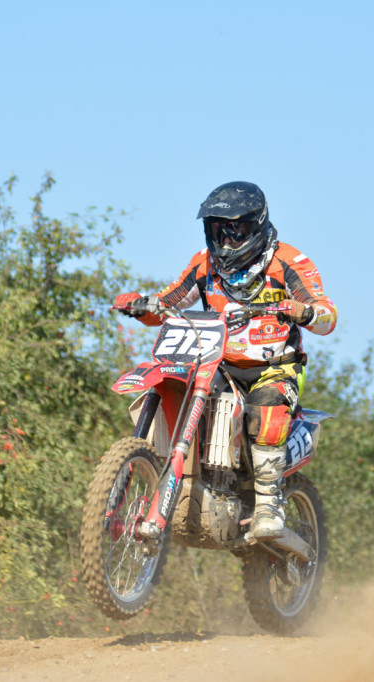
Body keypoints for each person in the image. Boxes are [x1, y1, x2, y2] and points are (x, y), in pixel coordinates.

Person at [115, 181, 337, 539]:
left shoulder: (289, 262)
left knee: (265, 411)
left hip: (273, 367)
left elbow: (327, 314)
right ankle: (173, 474)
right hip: (216, 363)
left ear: (256, 226)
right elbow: (172, 298)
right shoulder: (205, 264)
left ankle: (268, 503)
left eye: (235, 231)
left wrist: (306, 310)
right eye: (219, 230)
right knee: (179, 388)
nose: (227, 241)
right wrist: (144, 305)